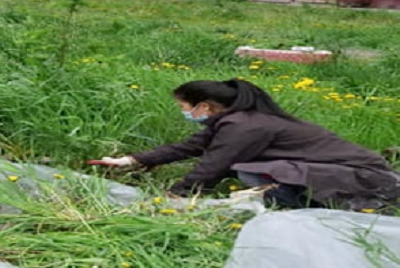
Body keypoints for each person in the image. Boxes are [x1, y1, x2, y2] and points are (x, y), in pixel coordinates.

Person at [96, 79, 400, 211]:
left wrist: (176, 196)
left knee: (246, 172)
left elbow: (214, 164)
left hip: (364, 178)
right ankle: (285, 198)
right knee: (246, 170)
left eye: (183, 106)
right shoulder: (235, 120)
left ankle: (296, 204)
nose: (183, 112)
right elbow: (188, 147)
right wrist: (132, 160)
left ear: (204, 106)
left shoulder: (245, 125)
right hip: (341, 171)